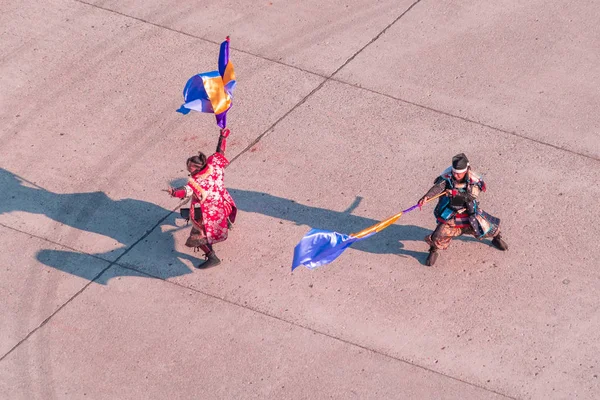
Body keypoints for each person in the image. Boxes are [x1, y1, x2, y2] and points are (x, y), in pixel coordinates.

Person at [418, 153, 507, 266]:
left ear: (466, 170)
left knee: (488, 227)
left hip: (469, 211)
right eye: (454, 172)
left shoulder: (474, 179)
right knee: (437, 235)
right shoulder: (448, 176)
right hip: (450, 212)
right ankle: (433, 250)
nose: (455, 175)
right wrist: (426, 197)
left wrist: (455, 193)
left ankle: (496, 238)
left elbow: (471, 196)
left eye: (459, 173)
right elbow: (438, 187)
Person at [166, 128, 237, 268]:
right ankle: (226, 223)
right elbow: (219, 152)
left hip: (209, 212)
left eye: (190, 170)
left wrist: (173, 192)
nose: (189, 172)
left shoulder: (197, 182)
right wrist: (223, 136)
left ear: (196, 169)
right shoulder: (214, 165)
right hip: (223, 202)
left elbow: (185, 191)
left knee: (196, 237)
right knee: (223, 214)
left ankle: (212, 257)